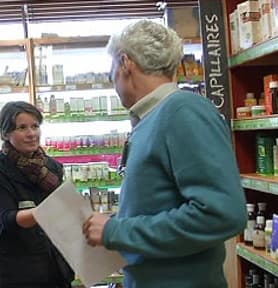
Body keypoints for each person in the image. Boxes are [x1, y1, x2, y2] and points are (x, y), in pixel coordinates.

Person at [82, 20, 247, 287]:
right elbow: (161, 203)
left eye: (111, 71)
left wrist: (116, 230)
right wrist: (117, 225)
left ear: (126, 63)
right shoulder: (155, 117)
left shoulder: (182, 112)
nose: (112, 81)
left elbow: (222, 214)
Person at [0, 101, 74, 288]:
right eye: (22, 128)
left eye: (35, 126)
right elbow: (9, 219)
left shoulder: (51, 168)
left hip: (55, 269)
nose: (31, 134)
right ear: (5, 134)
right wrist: (48, 210)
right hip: (15, 273)